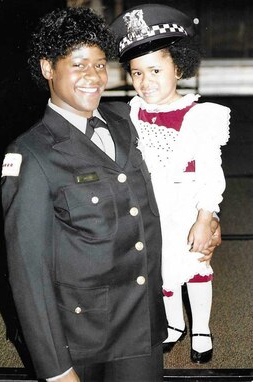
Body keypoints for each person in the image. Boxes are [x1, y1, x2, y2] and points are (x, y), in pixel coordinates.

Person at [0, 7, 168, 382]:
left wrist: (208, 214)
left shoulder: (125, 121)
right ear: (47, 68)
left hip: (142, 321)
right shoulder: (32, 155)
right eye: (78, 65)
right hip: (82, 337)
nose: (93, 77)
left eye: (99, 64)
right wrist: (56, 369)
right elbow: (29, 274)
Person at [111, 4, 230, 364]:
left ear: (178, 67)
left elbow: (211, 170)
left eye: (156, 70)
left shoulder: (200, 116)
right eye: (137, 73)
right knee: (161, 270)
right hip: (150, 208)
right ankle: (174, 324)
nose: (146, 82)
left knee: (195, 266)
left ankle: (202, 328)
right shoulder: (131, 112)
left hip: (186, 207)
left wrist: (206, 215)